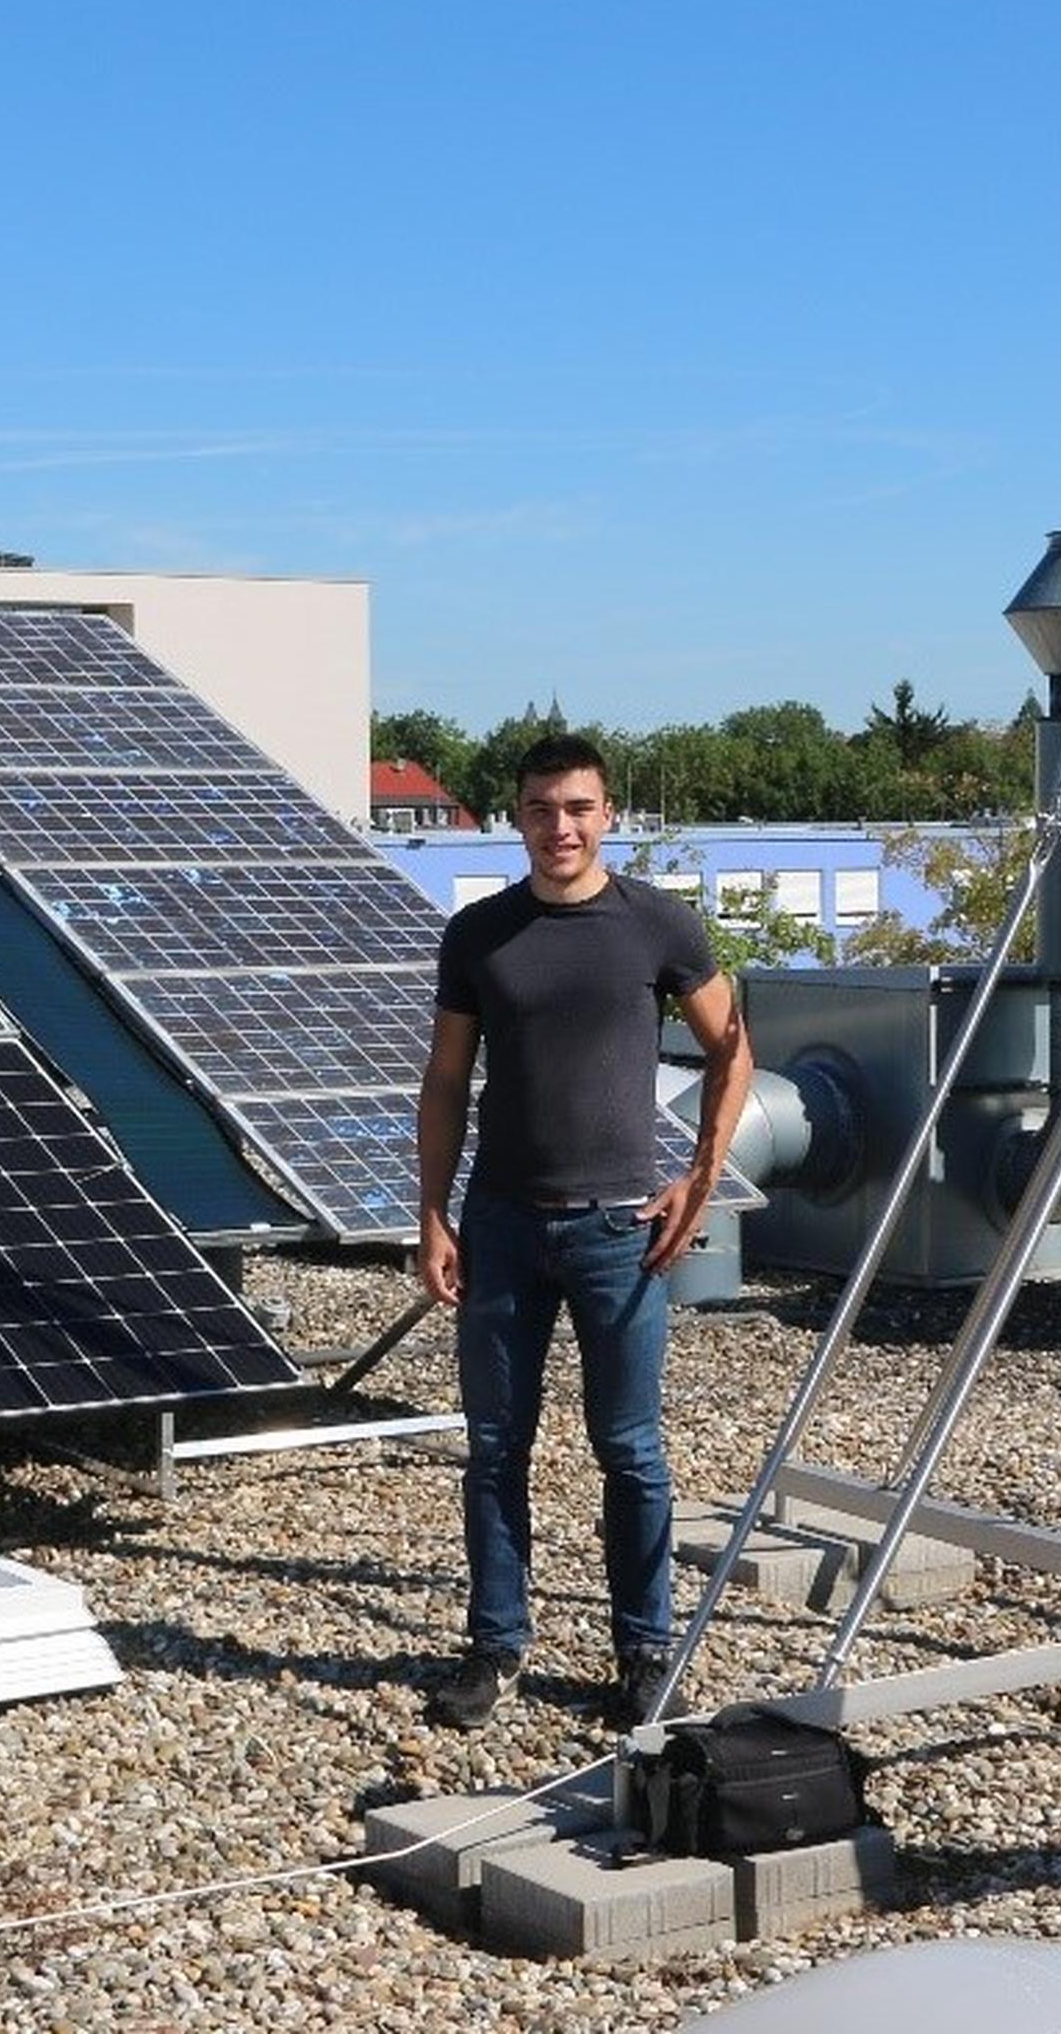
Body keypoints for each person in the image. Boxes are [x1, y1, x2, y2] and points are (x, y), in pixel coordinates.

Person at [415, 732, 754, 1732]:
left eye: (577, 808)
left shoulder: (659, 925)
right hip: (503, 1227)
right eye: (539, 809)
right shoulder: (478, 936)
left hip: (620, 1232)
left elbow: (733, 1050)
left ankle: (645, 1653)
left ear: (608, 815)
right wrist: (432, 1212)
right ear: (515, 817)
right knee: (492, 1449)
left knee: (631, 1453)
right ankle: (495, 1644)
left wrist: (699, 1177)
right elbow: (445, 1083)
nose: (559, 827)